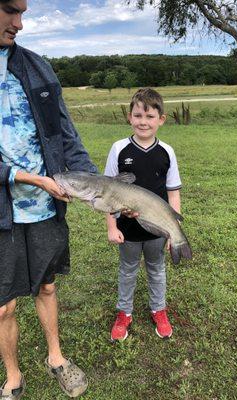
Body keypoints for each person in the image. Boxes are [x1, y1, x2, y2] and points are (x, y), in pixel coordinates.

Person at [0, 1, 97, 398]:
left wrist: (100, 186)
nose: (19, 23)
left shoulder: (38, 67)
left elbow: (66, 137)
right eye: (9, 10)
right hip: (2, 212)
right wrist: (29, 178)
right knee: (4, 306)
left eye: (22, 12)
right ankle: (13, 375)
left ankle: (55, 357)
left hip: (43, 209)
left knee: (48, 288)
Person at [105, 87, 182, 341]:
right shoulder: (119, 149)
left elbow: (173, 193)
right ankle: (124, 313)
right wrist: (111, 227)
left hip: (157, 227)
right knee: (127, 270)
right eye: (138, 115)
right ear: (130, 117)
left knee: (156, 268)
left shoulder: (167, 152)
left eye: (150, 117)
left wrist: (174, 231)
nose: (143, 122)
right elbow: (105, 193)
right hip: (126, 228)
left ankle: (158, 309)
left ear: (162, 119)